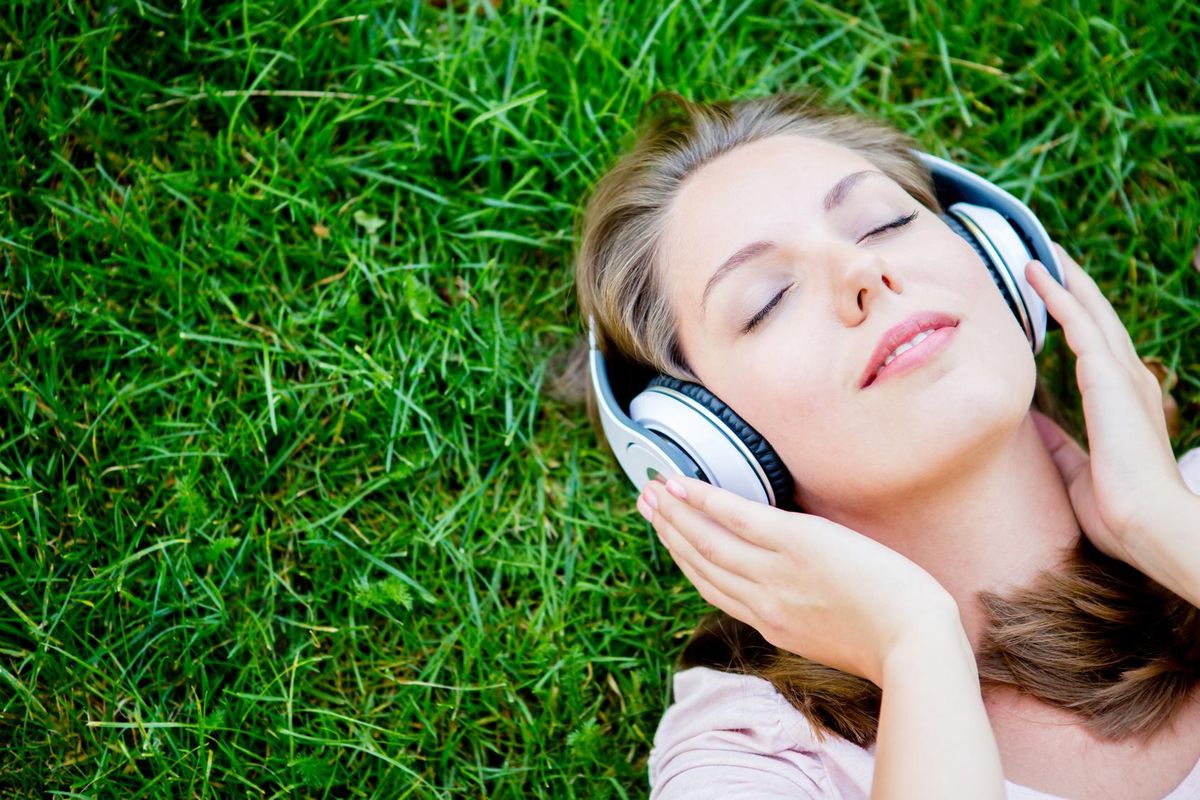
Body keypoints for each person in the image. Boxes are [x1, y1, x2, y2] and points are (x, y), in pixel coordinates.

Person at [570, 92, 1200, 799]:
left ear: (997, 254)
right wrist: (915, 651)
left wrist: (1159, 522)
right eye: (768, 299)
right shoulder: (755, 759)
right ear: (708, 442)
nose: (863, 274)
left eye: (885, 222)